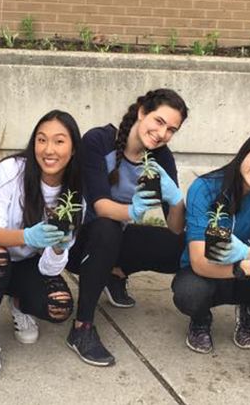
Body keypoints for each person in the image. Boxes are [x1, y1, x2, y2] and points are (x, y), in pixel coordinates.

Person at [68, 88, 189, 366]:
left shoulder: (162, 158)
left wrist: (176, 199)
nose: (162, 134)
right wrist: (134, 210)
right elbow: (100, 206)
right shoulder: (99, 140)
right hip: (79, 242)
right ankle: (81, 328)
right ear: (142, 112)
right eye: (158, 121)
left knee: (180, 249)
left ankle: (115, 273)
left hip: (116, 237)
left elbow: (175, 227)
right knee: (108, 226)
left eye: (171, 130)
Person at [0, 110, 84, 382]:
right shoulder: (11, 171)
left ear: (74, 148)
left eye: (59, 141)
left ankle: (17, 301)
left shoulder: (75, 194)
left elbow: (50, 269)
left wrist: (57, 248)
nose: (48, 149)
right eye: (41, 140)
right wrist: (27, 236)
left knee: (59, 307)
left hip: (25, 265)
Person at [172, 128, 250, 354]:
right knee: (189, 293)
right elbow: (199, 261)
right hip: (206, 273)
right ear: (245, 152)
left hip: (249, 277)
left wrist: (247, 254)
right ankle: (200, 319)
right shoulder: (205, 188)